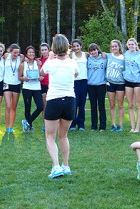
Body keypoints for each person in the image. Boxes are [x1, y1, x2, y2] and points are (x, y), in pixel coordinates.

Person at [41, 34, 79, 179]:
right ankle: (66, 165)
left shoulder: (50, 62)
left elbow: (41, 73)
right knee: (63, 135)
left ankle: (56, 167)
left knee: (50, 135)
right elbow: (75, 74)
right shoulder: (72, 62)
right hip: (70, 101)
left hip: (54, 100)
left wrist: (51, 58)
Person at [123, 38, 140, 133]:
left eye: (133, 44)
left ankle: (137, 127)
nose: (131, 46)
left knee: (138, 105)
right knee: (130, 105)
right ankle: (132, 127)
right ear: (127, 45)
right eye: (129, 44)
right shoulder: (125, 54)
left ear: (136, 45)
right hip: (128, 82)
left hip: (137, 82)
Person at [19, 46, 44, 132]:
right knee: (27, 107)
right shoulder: (23, 64)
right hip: (27, 88)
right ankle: (29, 126)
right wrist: (24, 78)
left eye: (33, 52)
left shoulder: (38, 63)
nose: (31, 54)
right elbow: (19, 77)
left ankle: (28, 122)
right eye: (29, 52)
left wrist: (41, 78)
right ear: (26, 54)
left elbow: (41, 74)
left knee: (40, 106)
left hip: (37, 87)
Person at [106, 40, 125, 132]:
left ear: (119, 47)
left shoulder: (124, 58)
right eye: (112, 46)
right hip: (110, 83)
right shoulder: (108, 56)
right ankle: (113, 124)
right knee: (112, 105)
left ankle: (120, 125)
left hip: (120, 83)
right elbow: (95, 52)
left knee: (120, 105)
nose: (114, 48)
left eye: (116, 46)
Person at [87, 43, 107, 131]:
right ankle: (94, 126)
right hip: (91, 85)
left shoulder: (104, 58)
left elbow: (115, 55)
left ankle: (102, 126)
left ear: (98, 50)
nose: (93, 52)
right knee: (93, 106)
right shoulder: (87, 59)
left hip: (101, 85)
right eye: (91, 51)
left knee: (101, 105)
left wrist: (105, 54)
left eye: (94, 50)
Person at [3, 44, 23, 133]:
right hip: (7, 83)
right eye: (14, 52)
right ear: (10, 51)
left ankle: (11, 126)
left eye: (17, 53)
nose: (16, 54)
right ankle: (7, 127)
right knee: (7, 106)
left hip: (16, 84)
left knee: (13, 107)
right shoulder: (6, 56)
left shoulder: (21, 58)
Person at [69, 39, 88, 131]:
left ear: (81, 46)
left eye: (77, 46)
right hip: (74, 82)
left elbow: (98, 53)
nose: (76, 48)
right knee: (74, 103)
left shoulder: (86, 55)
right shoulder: (70, 55)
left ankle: (81, 124)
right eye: (74, 46)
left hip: (84, 81)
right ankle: (72, 123)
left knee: (82, 104)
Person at [39, 43, 50, 133]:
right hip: (43, 85)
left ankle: (56, 124)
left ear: (48, 50)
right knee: (44, 106)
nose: (44, 52)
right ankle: (45, 125)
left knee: (53, 106)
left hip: (52, 85)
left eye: (45, 49)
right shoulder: (38, 61)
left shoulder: (53, 60)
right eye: (42, 50)